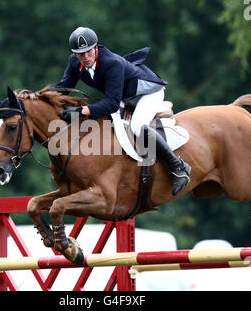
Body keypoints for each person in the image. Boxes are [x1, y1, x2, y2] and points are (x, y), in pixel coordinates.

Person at [55, 26, 191, 196]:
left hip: (147, 94)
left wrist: (82, 111)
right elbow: (62, 90)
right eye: (81, 54)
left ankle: (179, 167)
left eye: (89, 51)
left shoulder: (112, 63)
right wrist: (37, 99)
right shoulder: (75, 63)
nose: (86, 57)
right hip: (124, 97)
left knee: (137, 127)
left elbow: (111, 104)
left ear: (96, 48)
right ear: (75, 54)